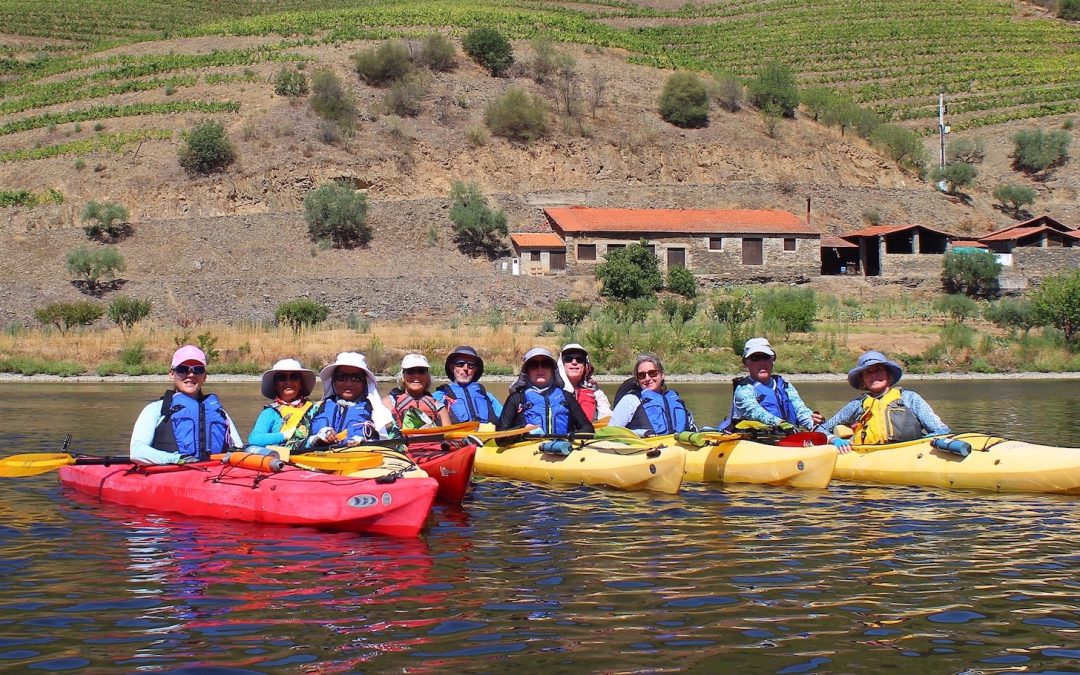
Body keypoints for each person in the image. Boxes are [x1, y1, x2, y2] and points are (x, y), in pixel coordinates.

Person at [130, 345, 243, 464]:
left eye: (198, 370)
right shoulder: (156, 409)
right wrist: (176, 459)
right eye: (183, 369)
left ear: (204, 376)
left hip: (213, 475)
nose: (191, 374)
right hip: (170, 474)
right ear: (172, 374)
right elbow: (137, 451)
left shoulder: (219, 412)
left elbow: (238, 448)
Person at [817, 350, 950, 451]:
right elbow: (821, 430)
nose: (874, 375)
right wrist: (834, 440)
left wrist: (921, 444)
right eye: (868, 372)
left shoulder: (909, 398)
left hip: (909, 453)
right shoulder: (856, 405)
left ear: (888, 375)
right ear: (862, 380)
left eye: (879, 370)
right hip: (868, 455)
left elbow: (942, 430)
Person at [719, 337, 823, 432]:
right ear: (746, 363)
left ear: (772, 360)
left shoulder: (785, 386)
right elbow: (756, 413)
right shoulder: (743, 390)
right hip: (755, 442)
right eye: (755, 358)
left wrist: (812, 422)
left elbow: (800, 410)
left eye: (765, 357)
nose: (762, 362)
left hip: (787, 439)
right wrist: (782, 424)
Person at [305, 352, 396, 448]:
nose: (348, 383)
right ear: (333, 381)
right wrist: (312, 441)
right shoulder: (316, 408)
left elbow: (399, 445)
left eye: (356, 378)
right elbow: (292, 444)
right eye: (341, 377)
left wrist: (368, 443)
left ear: (365, 383)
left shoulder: (379, 413)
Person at [498, 347, 594, 435]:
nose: (540, 369)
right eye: (533, 365)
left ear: (553, 371)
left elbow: (588, 428)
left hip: (562, 448)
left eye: (545, 365)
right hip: (527, 450)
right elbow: (500, 436)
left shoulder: (567, 397)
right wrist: (522, 429)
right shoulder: (516, 399)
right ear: (527, 372)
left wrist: (570, 437)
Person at [610, 353, 696, 437]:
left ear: (662, 375)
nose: (647, 378)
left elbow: (692, 428)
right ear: (637, 379)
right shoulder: (630, 400)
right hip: (646, 448)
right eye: (641, 375)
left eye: (653, 373)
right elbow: (611, 432)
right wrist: (642, 433)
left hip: (676, 447)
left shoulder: (674, 398)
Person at [246, 358, 318, 454]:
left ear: (301, 383)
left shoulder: (314, 409)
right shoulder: (270, 412)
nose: (288, 382)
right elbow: (254, 439)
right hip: (284, 459)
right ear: (275, 385)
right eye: (282, 378)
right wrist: (284, 435)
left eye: (294, 377)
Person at [434, 345, 503, 424]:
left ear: (475, 370)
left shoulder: (487, 396)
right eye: (460, 364)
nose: (466, 368)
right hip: (457, 435)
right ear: (452, 367)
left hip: (486, 435)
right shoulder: (439, 396)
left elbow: (505, 417)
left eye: (471, 365)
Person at [382, 353, 452, 429]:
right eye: (410, 371)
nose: (416, 376)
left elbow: (450, 436)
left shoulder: (438, 406)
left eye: (421, 371)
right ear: (403, 377)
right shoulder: (388, 403)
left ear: (427, 377)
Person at [556, 343, 612, 422]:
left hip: (590, 433)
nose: (574, 362)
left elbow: (607, 417)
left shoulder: (596, 391)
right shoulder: (552, 390)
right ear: (562, 364)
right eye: (569, 359)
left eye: (579, 360)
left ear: (585, 365)